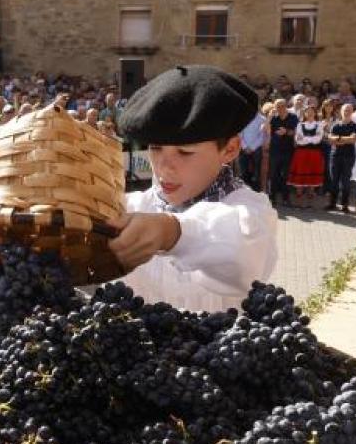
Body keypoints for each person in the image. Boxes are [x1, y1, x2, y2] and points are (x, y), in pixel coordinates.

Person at [108, 64, 279, 311]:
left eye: (185, 152)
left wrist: (172, 231)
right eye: (155, 148)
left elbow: (242, 251)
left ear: (230, 149)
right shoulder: (131, 207)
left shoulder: (251, 209)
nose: (164, 167)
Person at [288, 106, 324, 209]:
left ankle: (309, 202)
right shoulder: (300, 125)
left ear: (315, 113)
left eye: (312, 112)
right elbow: (298, 140)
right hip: (301, 153)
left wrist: (305, 138)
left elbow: (318, 139)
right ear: (304, 114)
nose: (309, 114)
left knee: (312, 176)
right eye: (307, 112)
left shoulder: (319, 125)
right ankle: (299, 202)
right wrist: (310, 138)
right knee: (300, 176)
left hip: (314, 154)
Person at [266, 98, 297, 206]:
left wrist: (286, 131)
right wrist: (269, 117)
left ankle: (285, 198)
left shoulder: (293, 117)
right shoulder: (273, 118)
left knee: (285, 175)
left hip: (288, 150)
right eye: (277, 107)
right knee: (273, 174)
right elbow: (265, 130)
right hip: (275, 150)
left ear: (286, 106)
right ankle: (272, 197)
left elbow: (295, 132)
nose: (280, 109)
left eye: (282, 106)